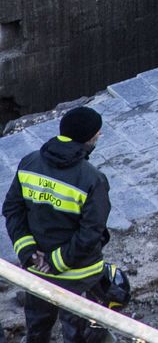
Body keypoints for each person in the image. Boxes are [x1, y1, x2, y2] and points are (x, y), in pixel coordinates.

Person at [4, 106, 112, 343]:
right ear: (89, 139)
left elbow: (12, 210)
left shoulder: (29, 163)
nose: (100, 136)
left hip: (36, 271)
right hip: (79, 275)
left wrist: (28, 252)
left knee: (37, 330)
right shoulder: (93, 179)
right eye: (98, 133)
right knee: (79, 334)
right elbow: (91, 233)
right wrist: (56, 262)